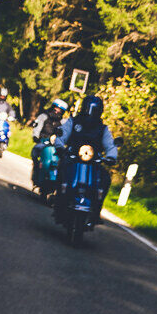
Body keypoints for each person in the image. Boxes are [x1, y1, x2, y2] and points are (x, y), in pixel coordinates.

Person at [54, 94, 117, 222]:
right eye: (88, 108)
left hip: (93, 163)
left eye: (94, 110)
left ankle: (96, 210)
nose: (90, 113)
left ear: (99, 111)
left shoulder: (102, 129)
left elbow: (110, 145)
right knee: (61, 171)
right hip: (72, 158)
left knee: (105, 179)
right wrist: (60, 146)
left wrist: (111, 156)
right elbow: (63, 134)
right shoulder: (73, 121)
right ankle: (59, 201)